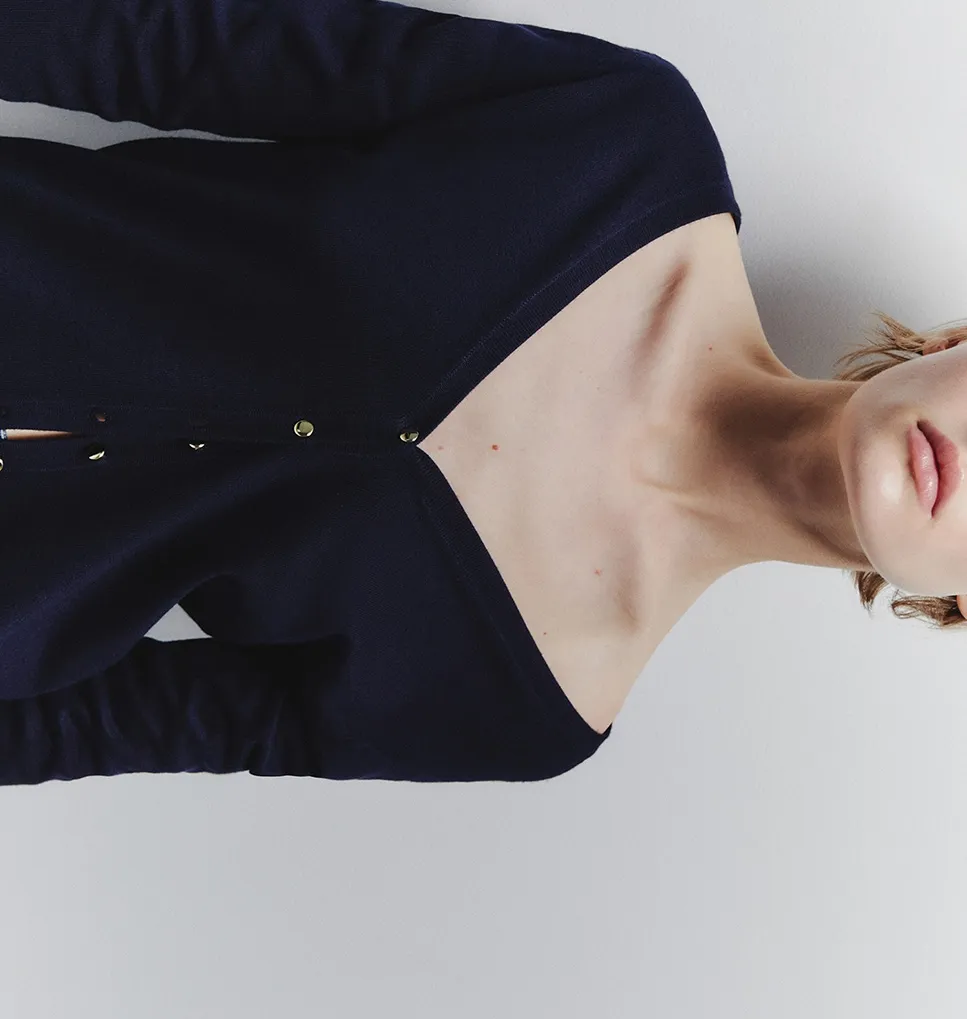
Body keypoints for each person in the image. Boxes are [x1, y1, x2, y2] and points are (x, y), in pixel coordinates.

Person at [0, 2, 963, 786]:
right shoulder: (625, 139)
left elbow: (91, 727)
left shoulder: (532, 706)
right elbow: (164, 43)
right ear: (955, 342)